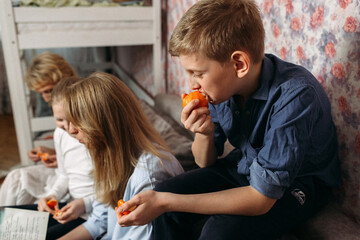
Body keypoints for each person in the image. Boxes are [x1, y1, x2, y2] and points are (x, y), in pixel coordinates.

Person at [116, 0, 342, 239]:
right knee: (164, 192)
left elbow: (261, 198)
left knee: (219, 230)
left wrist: (166, 202)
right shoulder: (223, 90)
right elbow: (205, 162)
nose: (192, 84)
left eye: (198, 73)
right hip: (245, 166)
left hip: (298, 184)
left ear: (239, 64)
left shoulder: (296, 95)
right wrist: (204, 133)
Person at [57, 72, 184, 240]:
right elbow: (99, 221)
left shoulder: (149, 177)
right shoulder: (109, 158)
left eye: (78, 121)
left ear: (103, 123)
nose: (71, 131)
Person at [5, 76, 96, 240]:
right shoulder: (60, 134)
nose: (67, 127)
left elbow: (110, 191)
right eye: (59, 119)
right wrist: (53, 195)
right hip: (70, 206)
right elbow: (63, 174)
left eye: (69, 119)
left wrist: (84, 203)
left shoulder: (90, 140)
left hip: (91, 214)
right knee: (6, 219)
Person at [0, 52, 77, 205]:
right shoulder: (52, 101)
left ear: (65, 79)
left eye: (48, 90)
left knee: (18, 181)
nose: (46, 98)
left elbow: (84, 157)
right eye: (41, 93)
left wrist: (59, 160)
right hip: (63, 168)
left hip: (71, 175)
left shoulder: (80, 105)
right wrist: (53, 153)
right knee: (15, 179)